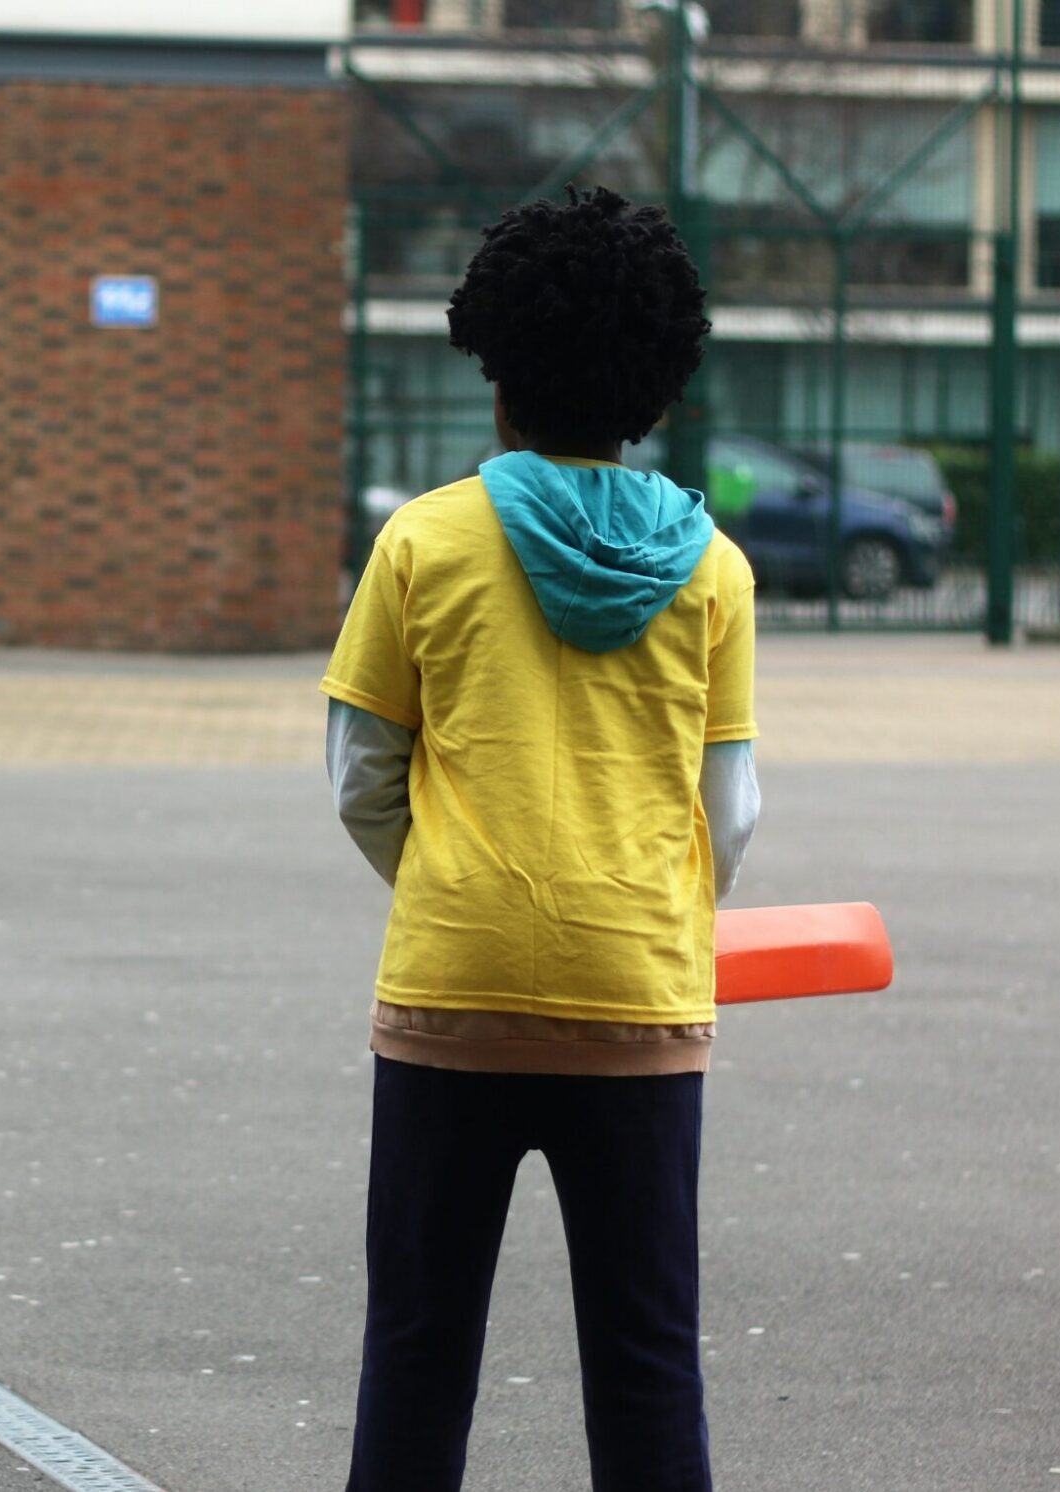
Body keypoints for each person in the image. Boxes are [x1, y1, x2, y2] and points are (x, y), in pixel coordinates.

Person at [320, 186, 761, 1492]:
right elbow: (729, 812)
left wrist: (458, 877)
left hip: (454, 984)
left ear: (495, 370)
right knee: (645, 1361)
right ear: (655, 391)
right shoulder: (713, 570)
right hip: (636, 995)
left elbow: (360, 779)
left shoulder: (421, 542)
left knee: (417, 1346)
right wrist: (655, 904)